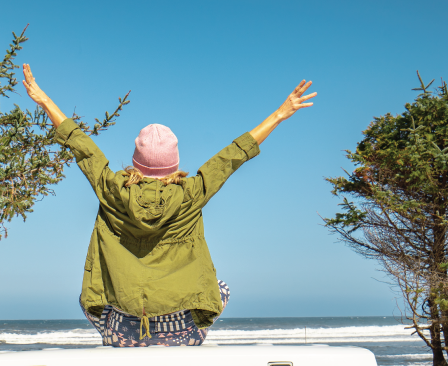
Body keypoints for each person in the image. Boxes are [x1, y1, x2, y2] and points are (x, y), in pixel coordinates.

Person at [22, 64, 316, 346]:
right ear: (174, 164)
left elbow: (81, 145)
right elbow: (232, 156)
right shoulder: (192, 192)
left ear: (135, 162)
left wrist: (43, 98)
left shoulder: (111, 188)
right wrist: (280, 114)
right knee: (220, 287)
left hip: (120, 336)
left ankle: (132, 334)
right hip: (183, 334)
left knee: (90, 293)